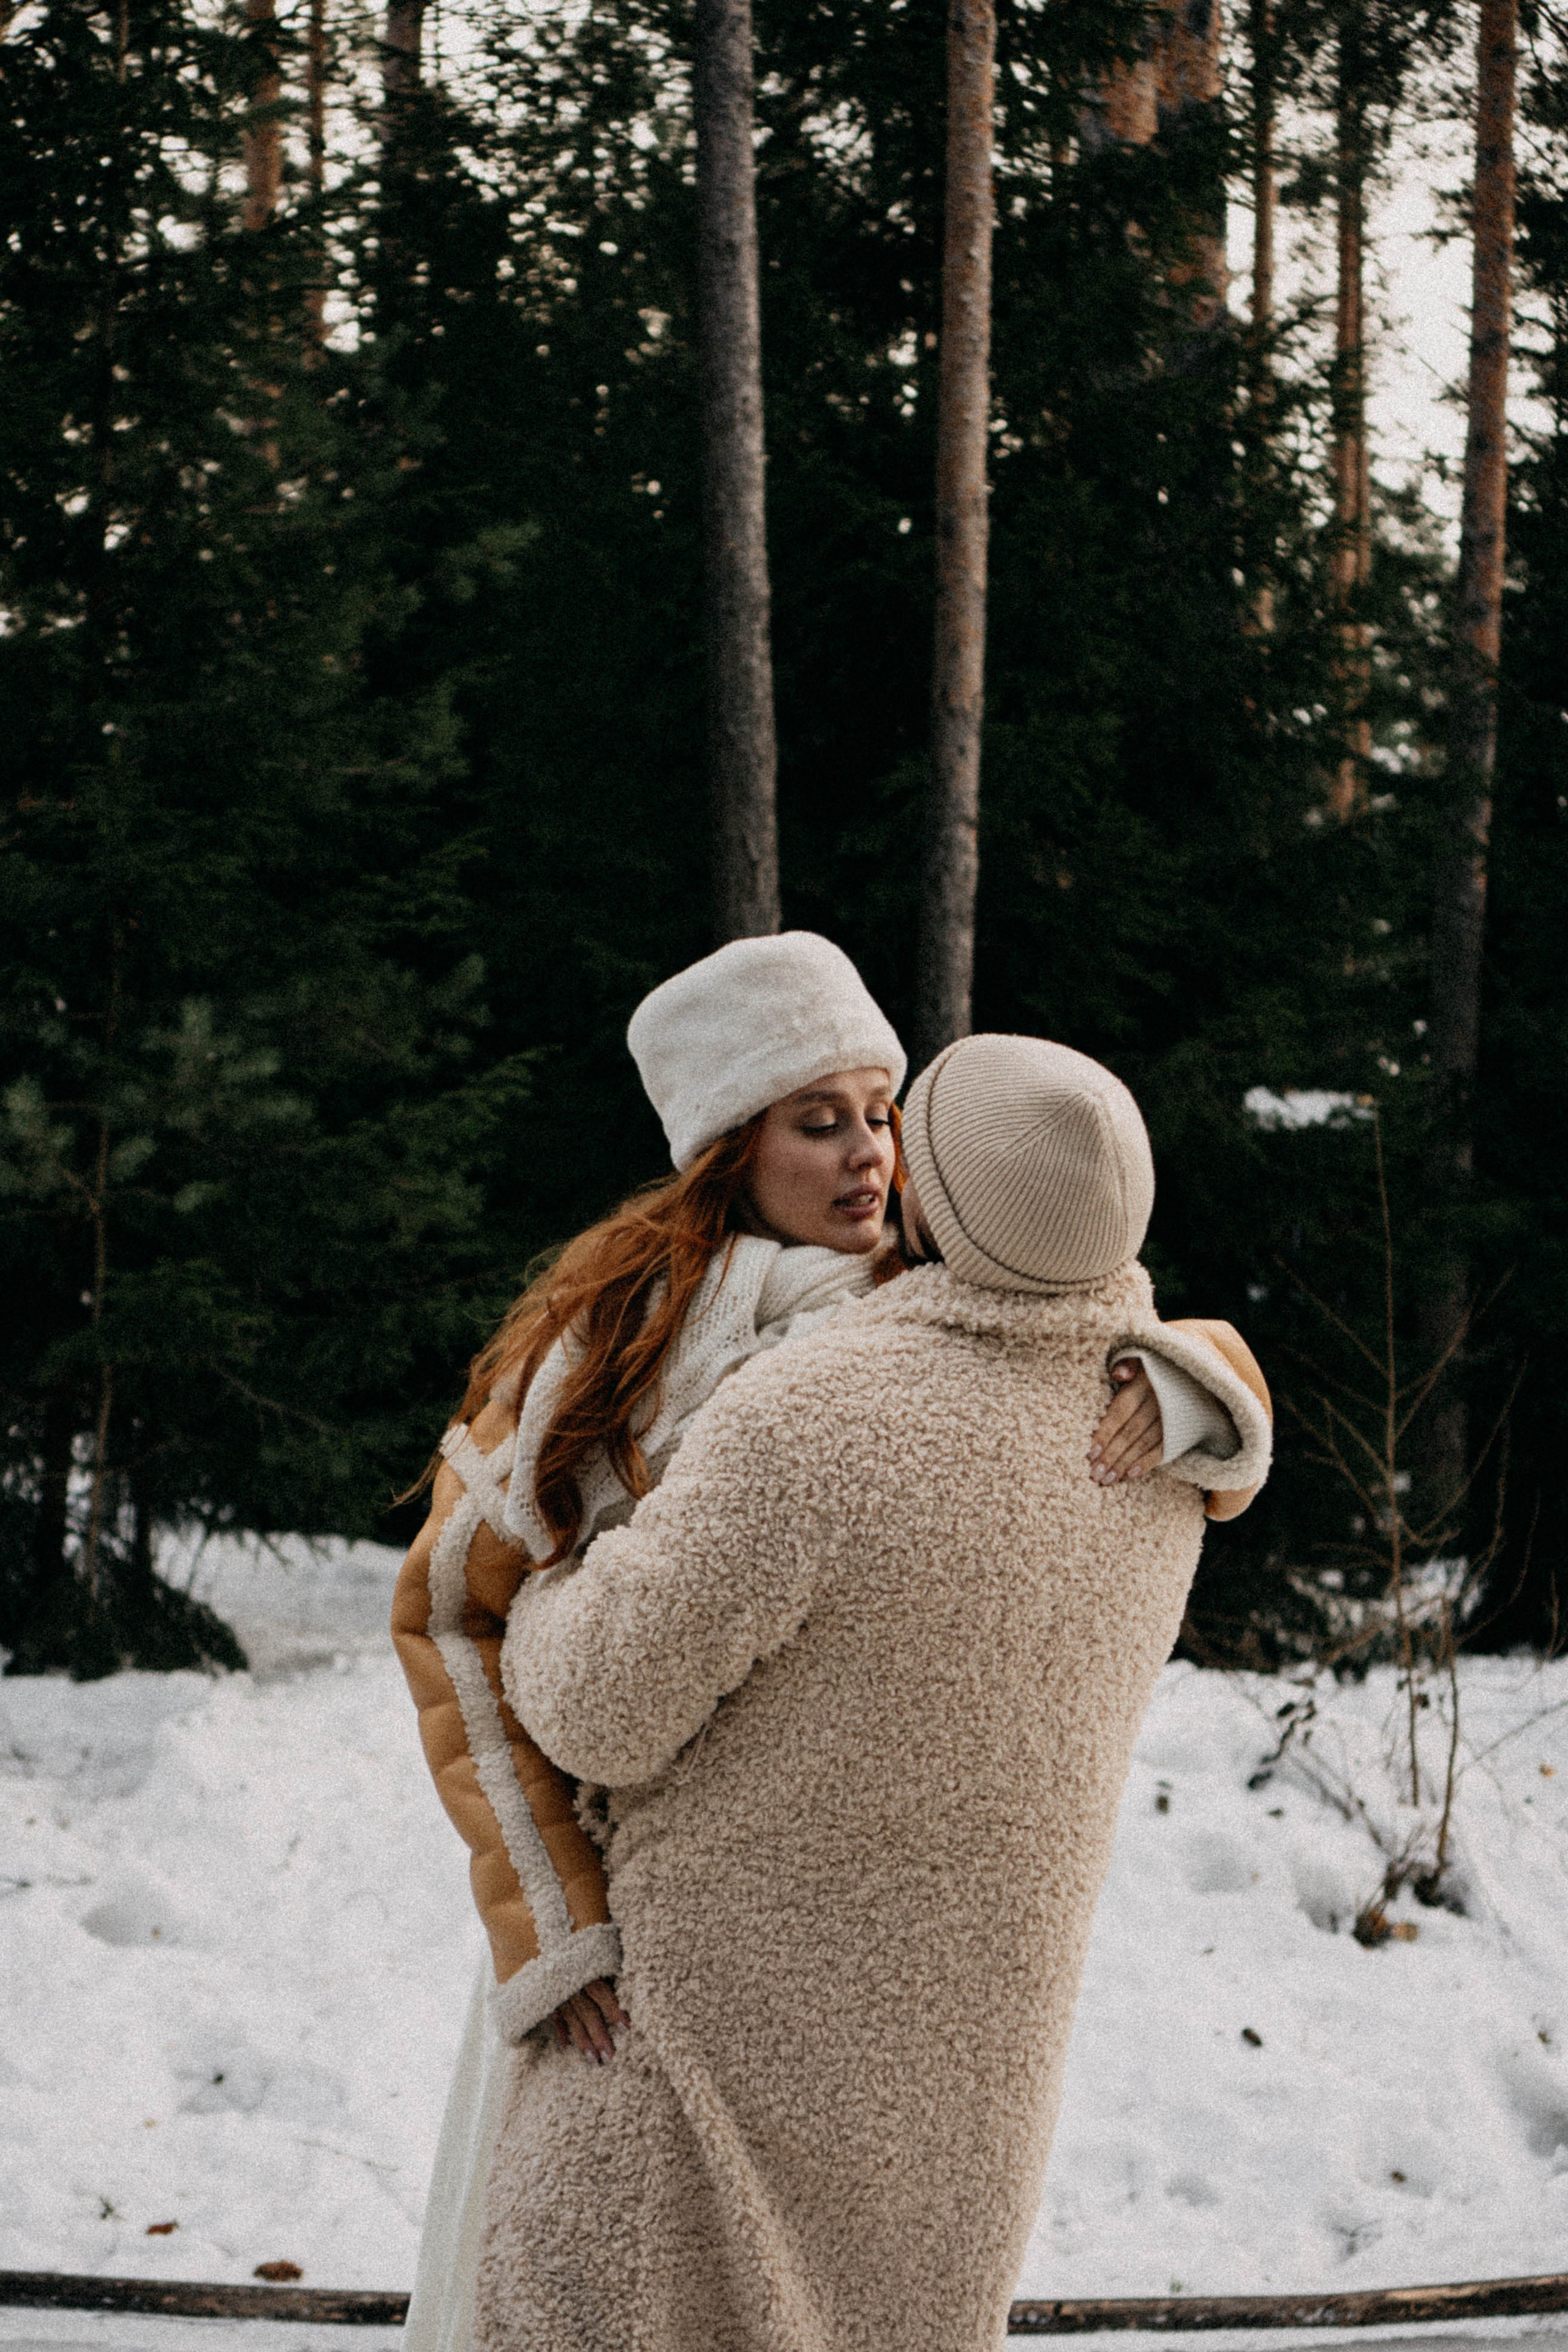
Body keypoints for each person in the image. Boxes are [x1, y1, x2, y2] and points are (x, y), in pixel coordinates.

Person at [391, 942, 1265, 2352]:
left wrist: (1200, 1382)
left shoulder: (934, 1293)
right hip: (618, 1952)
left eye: (879, 1114)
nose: (866, 1156)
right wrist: (551, 1922)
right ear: (726, 1149)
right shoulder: (612, 1341)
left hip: (852, 1993)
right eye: (817, 1123)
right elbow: (451, 1614)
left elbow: (1102, 1295)